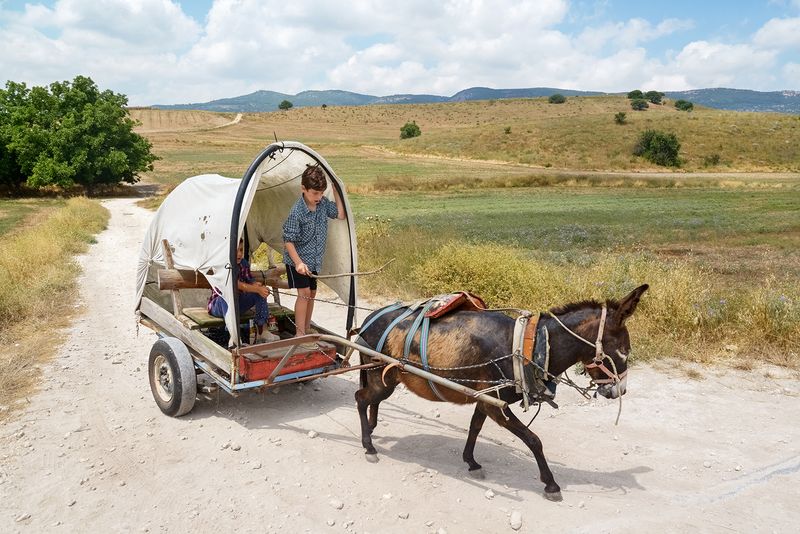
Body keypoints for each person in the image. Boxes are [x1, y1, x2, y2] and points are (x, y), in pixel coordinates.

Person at [283, 164, 345, 348]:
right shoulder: (297, 212)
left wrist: (336, 189)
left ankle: (307, 328)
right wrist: (298, 263)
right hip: (297, 260)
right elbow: (288, 240)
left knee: (311, 293)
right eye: (314, 194)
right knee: (303, 294)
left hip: (314, 260)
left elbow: (340, 214)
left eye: (321, 193)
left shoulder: (323, 204)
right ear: (303, 189)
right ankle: (299, 334)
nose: (318, 198)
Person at [207, 238, 279, 344]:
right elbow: (235, 284)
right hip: (218, 306)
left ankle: (262, 331)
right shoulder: (223, 265)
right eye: (236, 251)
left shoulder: (243, 263)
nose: (239, 254)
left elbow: (250, 281)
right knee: (226, 297)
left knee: (260, 295)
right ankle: (234, 338)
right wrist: (257, 289)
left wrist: (259, 287)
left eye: (241, 250)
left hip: (238, 304)